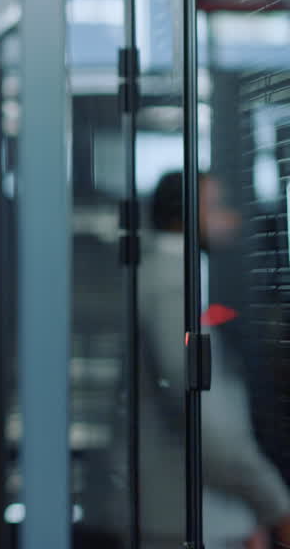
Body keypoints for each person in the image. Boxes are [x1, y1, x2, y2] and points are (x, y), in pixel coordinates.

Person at [135, 171, 290, 549]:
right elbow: (206, 418)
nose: (231, 218)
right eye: (215, 206)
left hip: (199, 509)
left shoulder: (170, 278)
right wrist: (275, 507)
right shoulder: (172, 288)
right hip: (183, 512)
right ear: (180, 216)